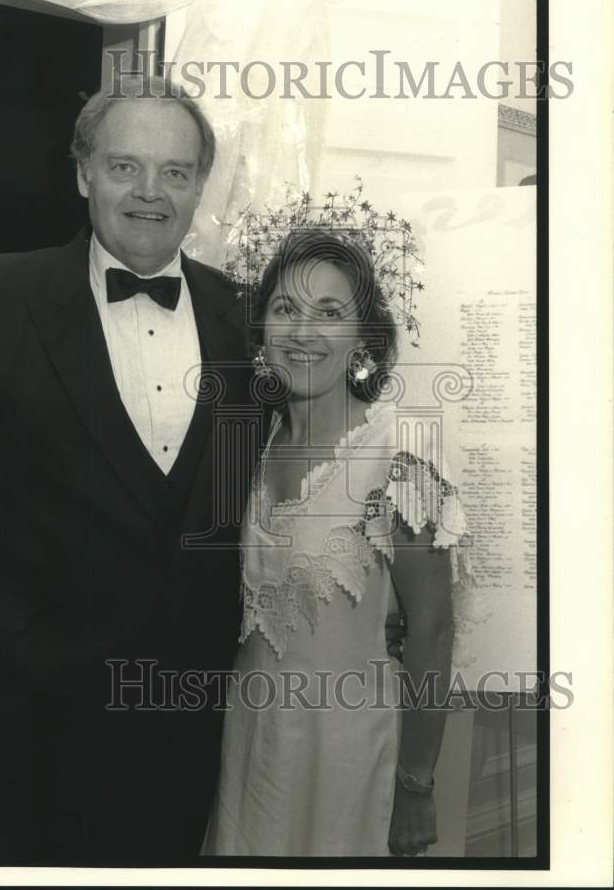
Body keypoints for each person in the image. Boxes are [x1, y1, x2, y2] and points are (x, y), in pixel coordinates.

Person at [0, 75, 261, 866]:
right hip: (26, 713)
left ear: (200, 185)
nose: (151, 192)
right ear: (81, 174)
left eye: (176, 172)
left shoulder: (241, 315)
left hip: (188, 711)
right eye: (124, 167)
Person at [202, 230, 474, 857]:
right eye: (286, 308)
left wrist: (415, 785)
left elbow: (432, 629)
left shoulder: (400, 453)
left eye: (330, 313)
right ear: (261, 325)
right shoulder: (250, 439)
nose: (303, 331)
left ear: (363, 338)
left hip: (349, 752)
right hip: (251, 741)